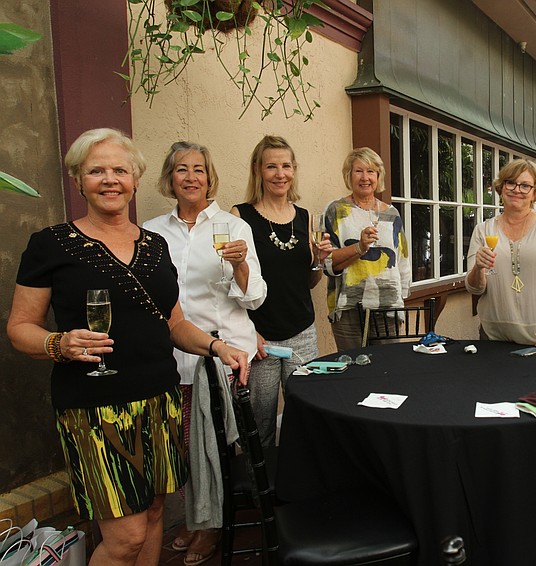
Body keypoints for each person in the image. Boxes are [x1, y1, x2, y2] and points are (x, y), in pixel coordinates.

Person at [6, 128, 250, 566]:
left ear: (135, 180)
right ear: (78, 180)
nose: (110, 180)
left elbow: (174, 324)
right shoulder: (51, 244)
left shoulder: (154, 246)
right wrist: (58, 343)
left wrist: (217, 347)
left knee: (154, 514)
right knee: (125, 538)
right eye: (96, 171)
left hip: (159, 399)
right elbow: (20, 327)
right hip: (94, 408)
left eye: (120, 170)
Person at [142, 141, 266, 565]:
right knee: (186, 446)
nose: (191, 177)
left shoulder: (233, 227)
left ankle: (212, 525)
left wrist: (241, 265)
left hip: (222, 354)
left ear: (210, 177)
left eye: (199, 169)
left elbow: (255, 298)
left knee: (215, 446)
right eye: (182, 169)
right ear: (170, 178)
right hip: (175, 356)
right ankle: (200, 518)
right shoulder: (152, 231)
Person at [232, 135, 332, 447]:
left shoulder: (305, 217)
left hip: (302, 333)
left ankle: (297, 475)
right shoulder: (240, 216)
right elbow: (231, 283)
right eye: (271, 166)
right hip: (261, 338)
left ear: (294, 170)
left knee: (306, 417)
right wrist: (247, 334)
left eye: (286, 166)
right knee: (259, 425)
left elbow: (308, 282)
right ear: (258, 170)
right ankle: (261, 479)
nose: (280, 174)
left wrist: (318, 262)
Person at [465, 158, 536, 351]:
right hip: (493, 338)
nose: (516, 190)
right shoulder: (483, 230)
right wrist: (478, 267)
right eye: (511, 182)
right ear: (501, 187)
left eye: (525, 185)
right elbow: (474, 289)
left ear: (535, 192)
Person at [324, 147, 412, 351]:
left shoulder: (392, 213)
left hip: (387, 306)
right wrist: (359, 247)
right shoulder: (336, 210)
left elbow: (402, 258)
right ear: (349, 175)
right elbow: (327, 261)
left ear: (378, 176)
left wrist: (401, 298)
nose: (365, 177)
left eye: (371, 171)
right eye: (358, 171)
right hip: (348, 306)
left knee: (387, 365)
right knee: (353, 366)